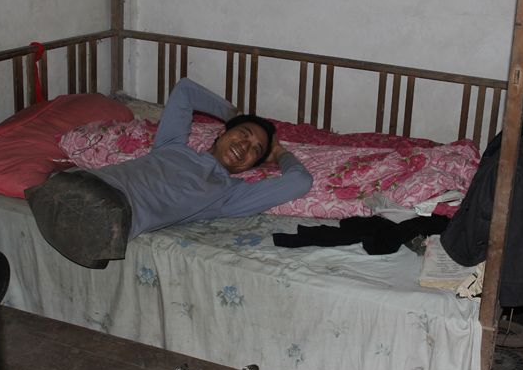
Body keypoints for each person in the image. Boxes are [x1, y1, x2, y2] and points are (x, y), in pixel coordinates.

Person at [26, 78, 312, 268]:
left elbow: (300, 181)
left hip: (112, 212)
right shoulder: (172, 145)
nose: (244, 146)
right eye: (243, 134)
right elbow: (185, 89)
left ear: (251, 166)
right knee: (63, 184)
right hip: (83, 183)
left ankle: (69, 212)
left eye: (255, 150)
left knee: (84, 204)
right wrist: (233, 114)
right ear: (222, 133)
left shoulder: (228, 194)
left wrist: (279, 153)